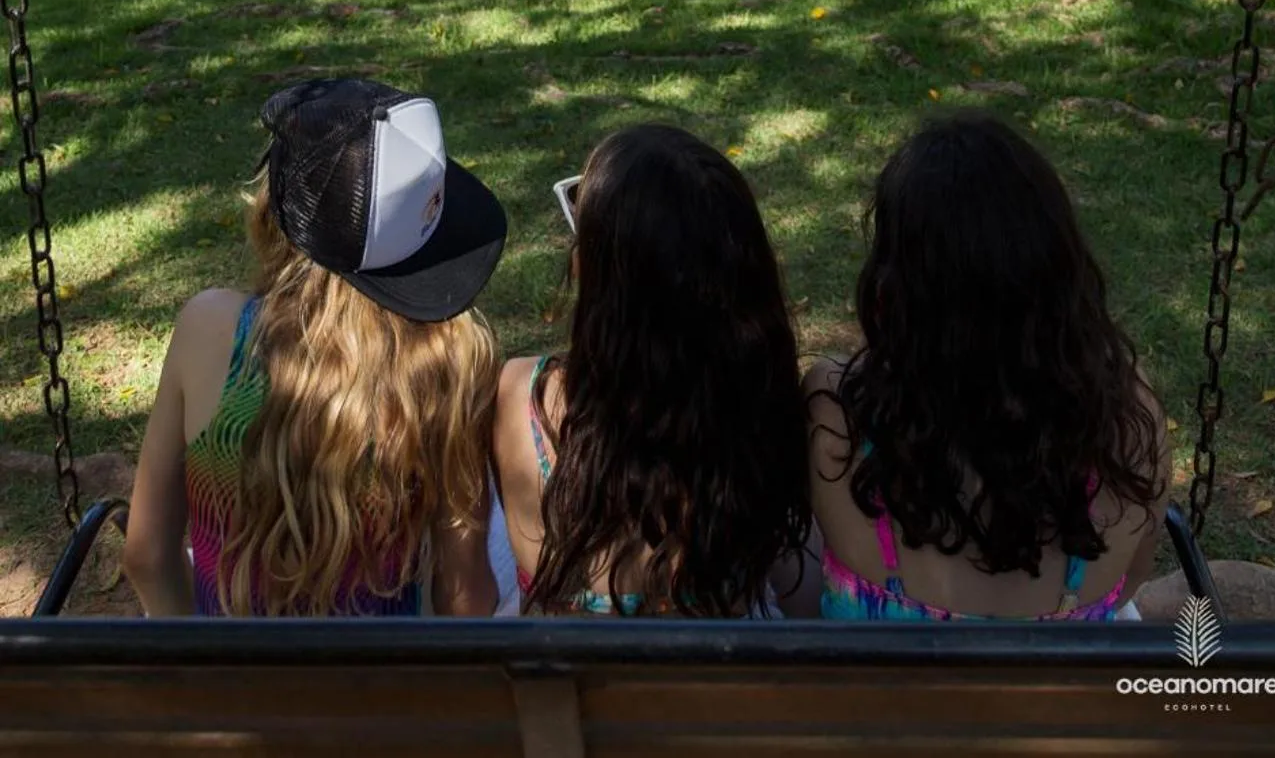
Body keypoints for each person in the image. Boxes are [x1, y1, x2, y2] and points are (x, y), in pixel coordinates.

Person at [123, 77, 507, 617]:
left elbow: (145, 556)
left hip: (221, 687)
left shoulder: (207, 327)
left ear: (273, 210)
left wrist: (199, 673)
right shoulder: (451, 358)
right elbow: (465, 598)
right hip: (382, 695)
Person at [808, 113, 1167, 622]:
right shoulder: (1132, 415)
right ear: (1058, 275)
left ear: (896, 290)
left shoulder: (835, 410)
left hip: (877, 702)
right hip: (1064, 701)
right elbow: (1133, 577)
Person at [496, 124, 814, 616]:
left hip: (567, 689)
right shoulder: (762, 401)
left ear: (594, 272)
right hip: (724, 677)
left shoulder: (522, 396)